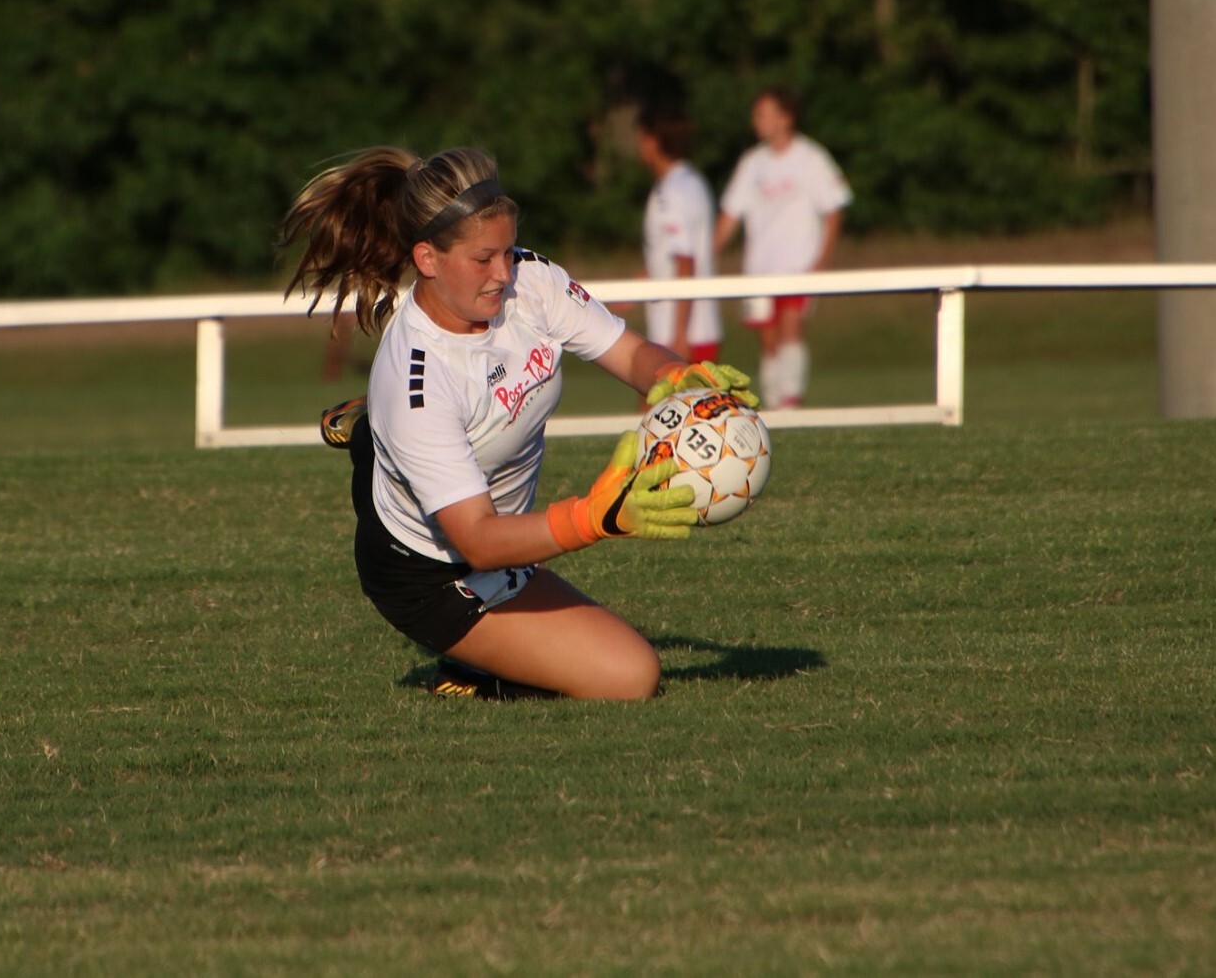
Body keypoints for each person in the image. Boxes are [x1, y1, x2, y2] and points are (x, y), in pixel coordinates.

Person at [278, 145, 754, 701]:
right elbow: (479, 541)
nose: (503, 273)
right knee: (632, 678)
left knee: (425, 429)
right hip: (431, 571)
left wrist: (677, 377)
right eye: (484, 259)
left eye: (507, 251)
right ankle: (470, 671)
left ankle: (372, 436)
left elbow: (628, 354)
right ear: (428, 259)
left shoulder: (530, 280)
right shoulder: (418, 383)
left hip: (484, 519)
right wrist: (596, 518)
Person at [714, 88, 851, 409]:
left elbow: (833, 210)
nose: (757, 120)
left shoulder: (811, 157)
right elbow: (730, 215)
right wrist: (709, 254)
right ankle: (774, 399)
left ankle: (790, 398)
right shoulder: (752, 163)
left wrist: (820, 262)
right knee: (768, 338)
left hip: (798, 265)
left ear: (786, 117)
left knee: (792, 327)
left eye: (764, 113)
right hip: (759, 269)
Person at [635, 104, 723, 365]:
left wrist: (680, 334)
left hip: (681, 334)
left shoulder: (671, 193)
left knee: (656, 405)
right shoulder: (693, 182)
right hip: (700, 327)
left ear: (653, 142)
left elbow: (685, 260)